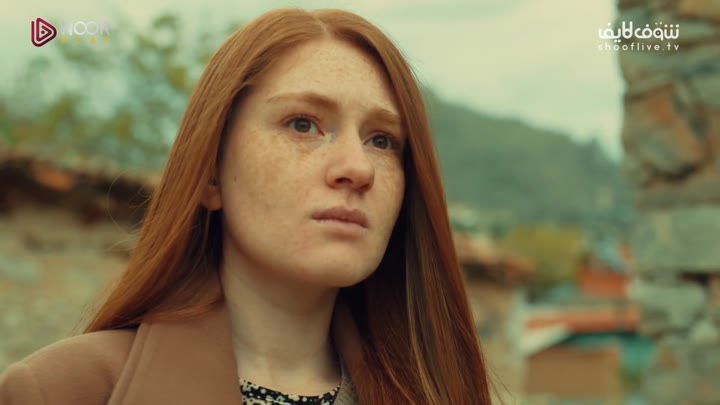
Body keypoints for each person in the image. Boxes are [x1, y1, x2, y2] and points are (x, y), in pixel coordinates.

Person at [0, 8, 493, 405]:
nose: (357, 168)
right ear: (210, 174)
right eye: (303, 124)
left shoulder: (446, 393)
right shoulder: (61, 392)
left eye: (382, 140)